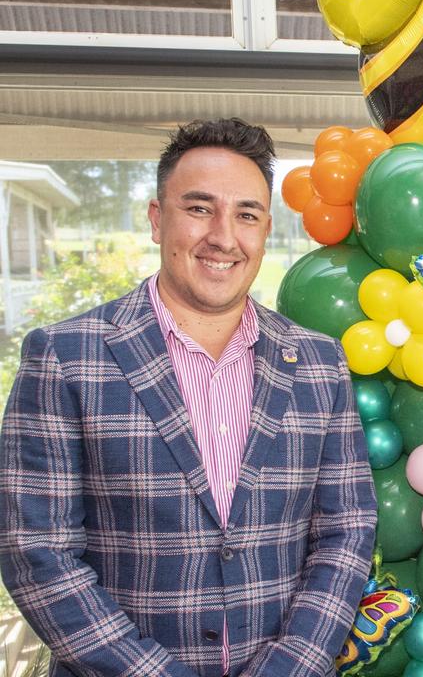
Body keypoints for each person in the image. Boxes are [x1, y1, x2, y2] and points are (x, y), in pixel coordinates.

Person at [0, 118, 378, 677]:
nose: (224, 237)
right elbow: (37, 554)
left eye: (246, 214)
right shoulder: (65, 356)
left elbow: (346, 532)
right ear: (157, 219)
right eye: (199, 208)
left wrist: (289, 667)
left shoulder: (319, 363)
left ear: (266, 228)